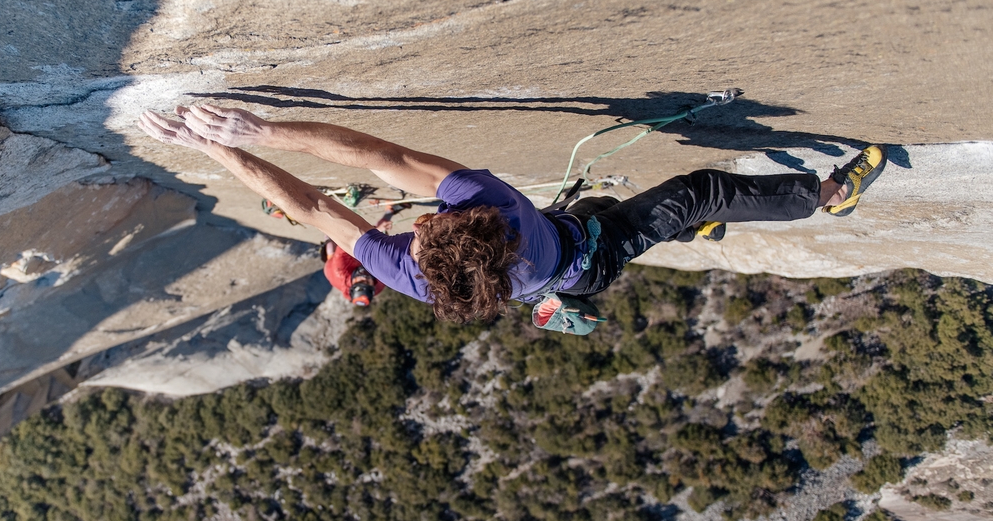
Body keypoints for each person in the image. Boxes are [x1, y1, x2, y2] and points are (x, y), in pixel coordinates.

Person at [137, 104, 887, 325]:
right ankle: (827, 196)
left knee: (607, 219)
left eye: (423, 228)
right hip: (588, 249)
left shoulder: (413, 276)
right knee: (694, 193)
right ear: (479, 225)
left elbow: (310, 206)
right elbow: (372, 155)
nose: (419, 220)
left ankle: (671, 236)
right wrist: (254, 133)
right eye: (429, 224)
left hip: (564, 271)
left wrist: (220, 151)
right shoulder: (498, 209)